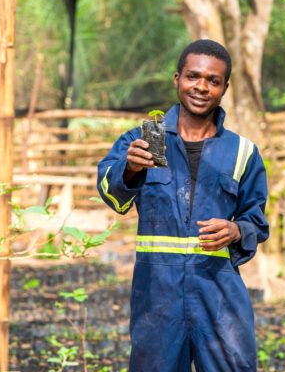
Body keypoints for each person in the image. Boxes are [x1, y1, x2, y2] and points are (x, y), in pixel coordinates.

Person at [97, 39, 269, 372]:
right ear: (177, 79)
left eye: (213, 80)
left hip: (218, 295)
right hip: (157, 296)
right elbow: (110, 191)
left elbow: (256, 223)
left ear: (224, 88)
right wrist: (129, 169)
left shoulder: (242, 151)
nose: (201, 87)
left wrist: (236, 230)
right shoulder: (149, 138)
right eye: (193, 76)